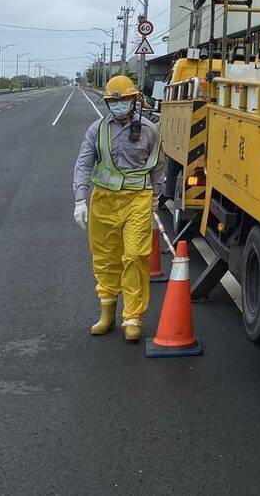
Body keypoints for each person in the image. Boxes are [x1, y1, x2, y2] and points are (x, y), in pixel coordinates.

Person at [73, 75, 163, 343]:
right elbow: (83, 163)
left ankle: (132, 317)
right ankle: (107, 314)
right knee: (105, 257)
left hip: (137, 200)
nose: (118, 105)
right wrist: (80, 199)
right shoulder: (96, 130)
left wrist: (156, 199)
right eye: (113, 101)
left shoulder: (149, 130)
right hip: (104, 201)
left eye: (122, 100)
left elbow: (158, 166)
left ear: (133, 100)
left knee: (134, 256)